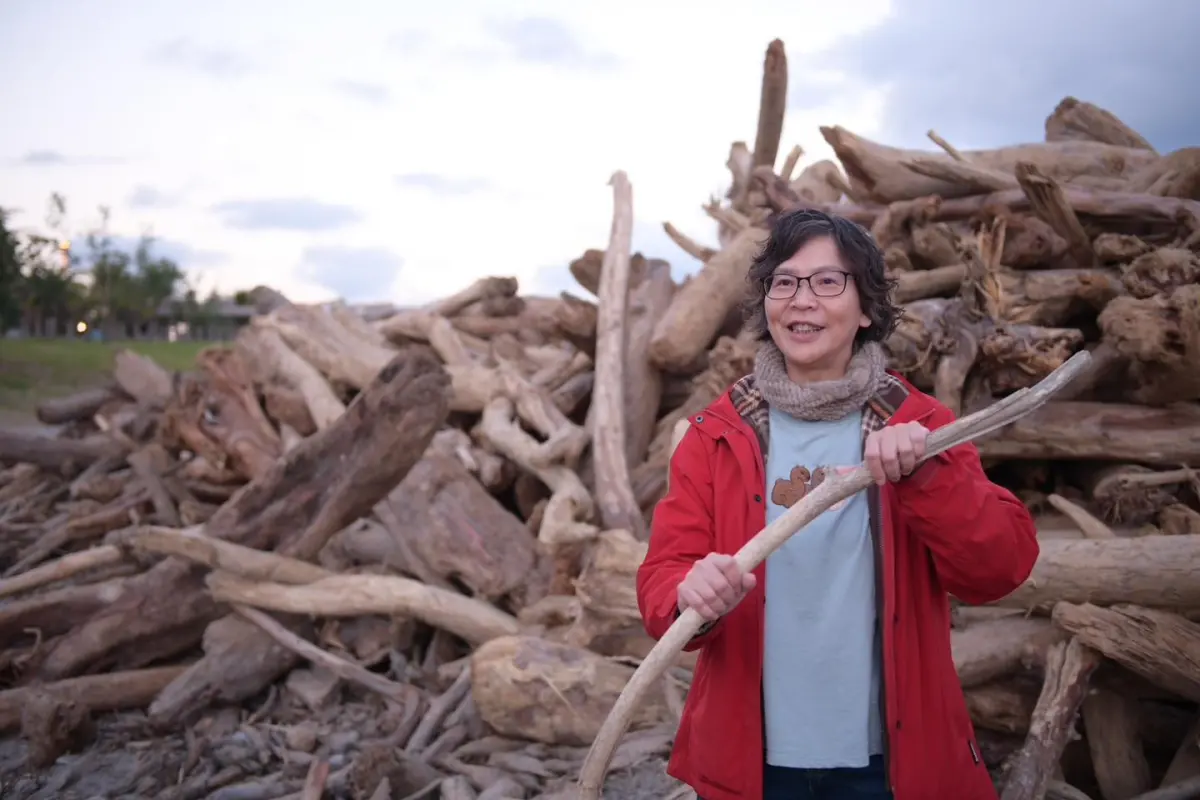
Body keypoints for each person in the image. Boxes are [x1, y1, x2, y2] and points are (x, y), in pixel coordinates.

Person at [635, 208, 1039, 800]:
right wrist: (687, 591)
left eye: (827, 281)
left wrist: (928, 476)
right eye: (785, 282)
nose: (802, 300)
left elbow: (1000, 569)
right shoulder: (716, 434)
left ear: (867, 308)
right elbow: (662, 580)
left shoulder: (919, 425)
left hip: (888, 763)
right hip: (751, 762)